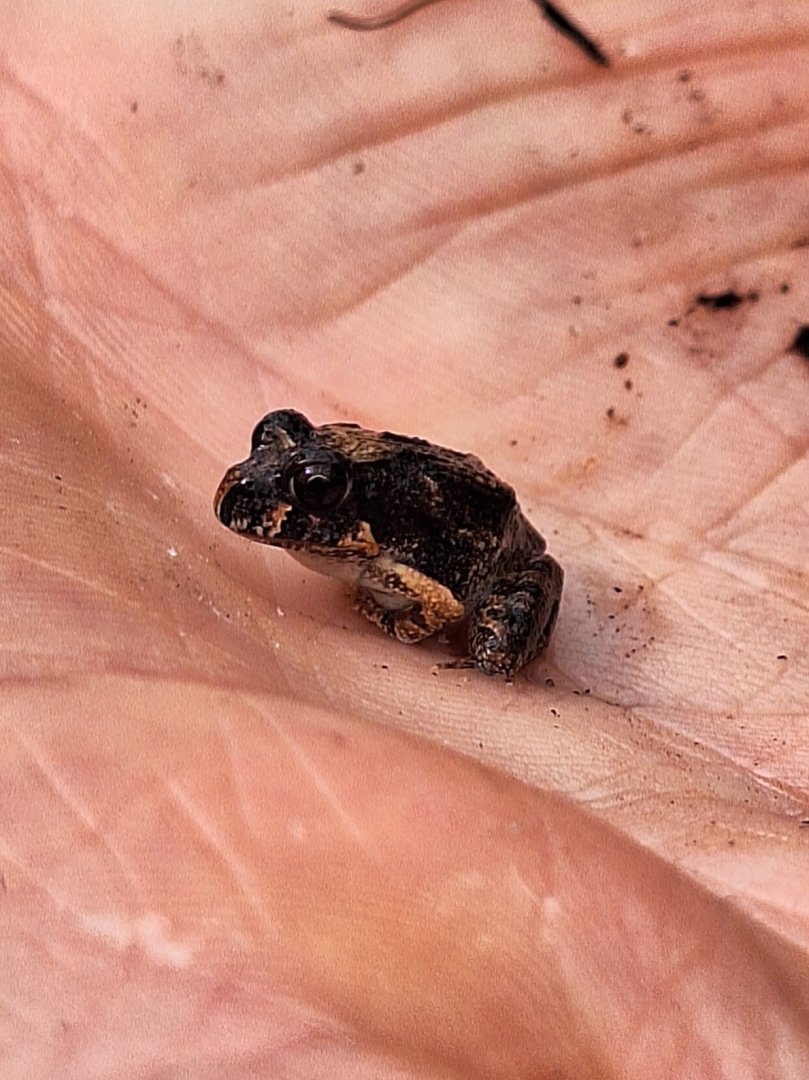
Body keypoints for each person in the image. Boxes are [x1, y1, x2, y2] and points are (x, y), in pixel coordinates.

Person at [2, 2, 808, 1075]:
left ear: (343, 502)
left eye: (310, 488)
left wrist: (413, 626)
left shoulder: (382, 531)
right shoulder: (322, 500)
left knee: (493, 637)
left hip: (495, 552)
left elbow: (431, 604)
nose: (275, 491)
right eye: (280, 459)